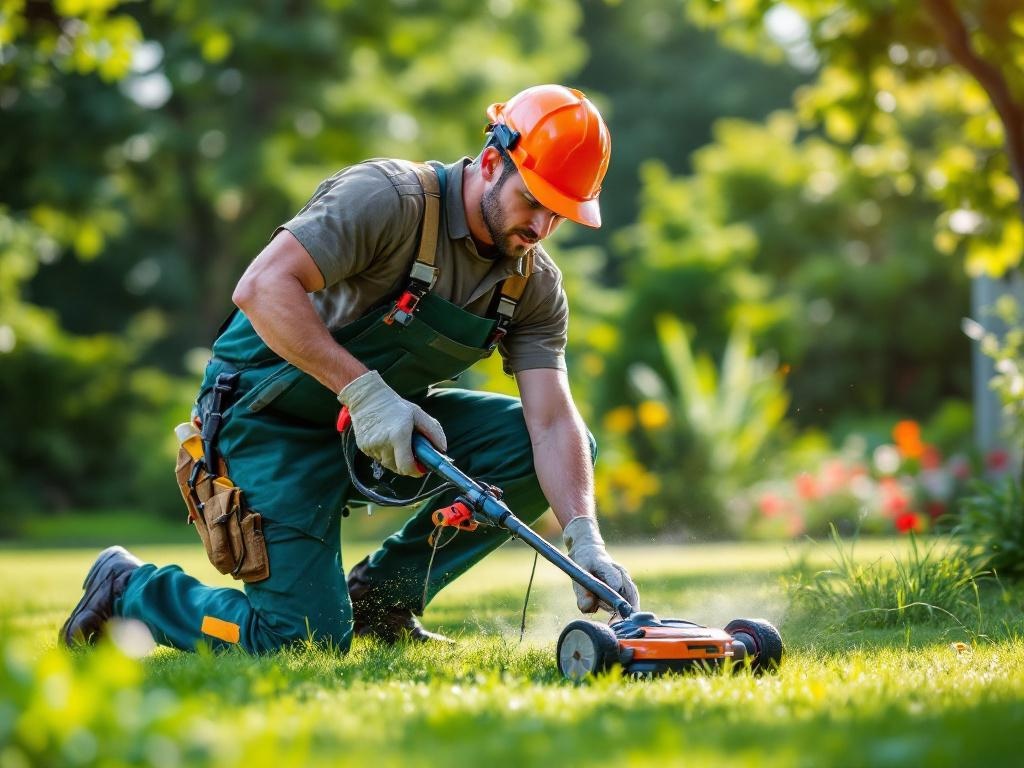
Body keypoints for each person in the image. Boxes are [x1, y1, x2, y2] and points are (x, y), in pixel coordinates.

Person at [60, 84, 640, 653]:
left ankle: (381, 600)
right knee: (298, 641)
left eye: (559, 214)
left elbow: (552, 423)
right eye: (533, 200)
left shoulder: (533, 285)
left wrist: (583, 536)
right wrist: (363, 393)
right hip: (267, 419)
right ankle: (131, 590)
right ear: (492, 161)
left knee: (534, 445)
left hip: (378, 430)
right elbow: (262, 287)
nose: (540, 228)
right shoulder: (389, 199)